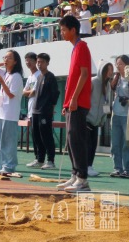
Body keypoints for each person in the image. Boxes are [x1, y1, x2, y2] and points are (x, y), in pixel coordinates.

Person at [56, 15, 92, 192]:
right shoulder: (75, 48)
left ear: (73, 30)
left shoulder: (82, 47)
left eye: (64, 30)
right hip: (72, 102)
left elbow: (84, 75)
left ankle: (83, 179)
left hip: (78, 102)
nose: (61, 33)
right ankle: (75, 175)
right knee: (71, 140)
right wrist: (67, 102)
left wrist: (75, 99)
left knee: (76, 139)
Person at [0, 50, 24, 174]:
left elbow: (11, 95)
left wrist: (1, 82)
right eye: (5, 57)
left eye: (9, 58)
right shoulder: (5, 73)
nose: (6, 59)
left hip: (10, 113)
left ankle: (9, 166)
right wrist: (1, 63)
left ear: (15, 61)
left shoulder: (16, 76)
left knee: (8, 141)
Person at [30, 53, 60, 170]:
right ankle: (40, 159)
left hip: (45, 112)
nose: (39, 64)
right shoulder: (39, 77)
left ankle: (50, 161)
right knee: (36, 136)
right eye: (38, 62)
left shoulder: (50, 77)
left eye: (42, 62)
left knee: (46, 136)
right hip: (35, 110)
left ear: (47, 63)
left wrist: (51, 108)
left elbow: (55, 94)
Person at [109, 55, 129, 179]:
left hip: (128, 115)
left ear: (127, 65)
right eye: (117, 64)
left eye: (120, 64)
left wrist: (128, 99)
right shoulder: (117, 78)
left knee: (128, 144)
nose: (117, 66)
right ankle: (117, 168)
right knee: (115, 144)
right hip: (116, 114)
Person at [87, 61, 113, 177]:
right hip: (87, 119)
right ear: (102, 70)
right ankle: (85, 167)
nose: (110, 72)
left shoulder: (107, 85)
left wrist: (104, 118)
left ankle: (89, 166)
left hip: (97, 121)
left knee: (93, 145)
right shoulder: (93, 82)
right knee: (87, 145)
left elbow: (106, 102)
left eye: (111, 70)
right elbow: (86, 99)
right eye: (108, 69)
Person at [23, 52, 42, 167]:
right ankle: (37, 158)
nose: (28, 62)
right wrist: (28, 93)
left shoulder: (39, 75)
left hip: (38, 110)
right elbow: (24, 92)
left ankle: (41, 158)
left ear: (36, 61)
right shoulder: (30, 77)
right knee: (34, 135)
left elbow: (34, 92)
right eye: (26, 60)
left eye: (30, 60)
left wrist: (28, 93)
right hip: (31, 111)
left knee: (40, 135)